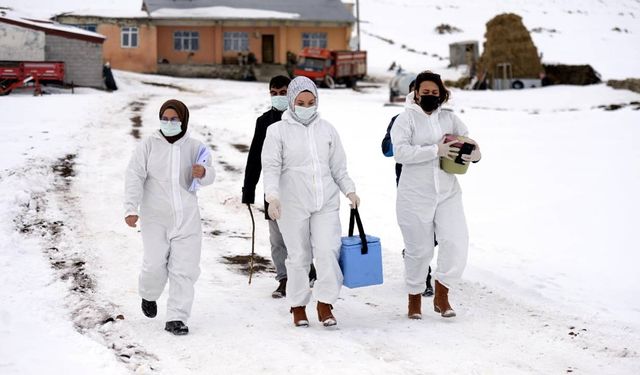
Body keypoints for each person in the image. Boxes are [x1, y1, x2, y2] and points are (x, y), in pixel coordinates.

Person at [261, 76, 360, 328]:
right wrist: (271, 196)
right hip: (291, 204)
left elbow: (338, 167)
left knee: (327, 250)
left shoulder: (327, 129)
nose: (306, 106)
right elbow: (271, 167)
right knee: (298, 256)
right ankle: (297, 305)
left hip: (325, 201)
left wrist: (349, 191)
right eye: (301, 102)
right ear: (292, 103)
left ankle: (325, 302)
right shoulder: (276, 131)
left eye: (311, 101)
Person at [391, 71, 481, 320]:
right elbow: (401, 153)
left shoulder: (449, 119)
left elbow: (467, 141)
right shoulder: (405, 119)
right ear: (416, 93)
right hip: (414, 194)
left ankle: (442, 295)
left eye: (434, 93)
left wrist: (474, 153)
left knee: (455, 243)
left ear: (441, 94)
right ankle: (414, 299)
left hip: (447, 192)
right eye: (425, 92)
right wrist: (435, 150)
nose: (430, 96)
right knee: (419, 250)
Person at [124, 99, 215, 335]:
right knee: (154, 264)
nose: (169, 122)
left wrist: (203, 172)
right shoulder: (149, 145)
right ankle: (149, 294)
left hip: (187, 218)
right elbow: (134, 176)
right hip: (155, 217)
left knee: (184, 269)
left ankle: (177, 317)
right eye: (165, 118)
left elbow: (209, 174)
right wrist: (131, 209)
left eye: (174, 119)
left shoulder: (195, 147)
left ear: (183, 120)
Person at [242, 75, 316, 299]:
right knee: (277, 238)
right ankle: (283, 279)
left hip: (301, 188)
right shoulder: (264, 121)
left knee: (303, 234)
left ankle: (307, 269)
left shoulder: (306, 120)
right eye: (274, 93)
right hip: (274, 190)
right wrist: (249, 190)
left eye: (283, 93)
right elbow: (255, 157)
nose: (278, 97)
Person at [381, 79, 434, 298]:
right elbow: (386, 150)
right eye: (420, 91)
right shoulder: (399, 119)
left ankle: (413, 256)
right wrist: (404, 140)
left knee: (435, 232)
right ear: (413, 94)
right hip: (408, 184)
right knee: (418, 231)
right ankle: (424, 277)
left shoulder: (439, 119)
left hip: (435, 184)